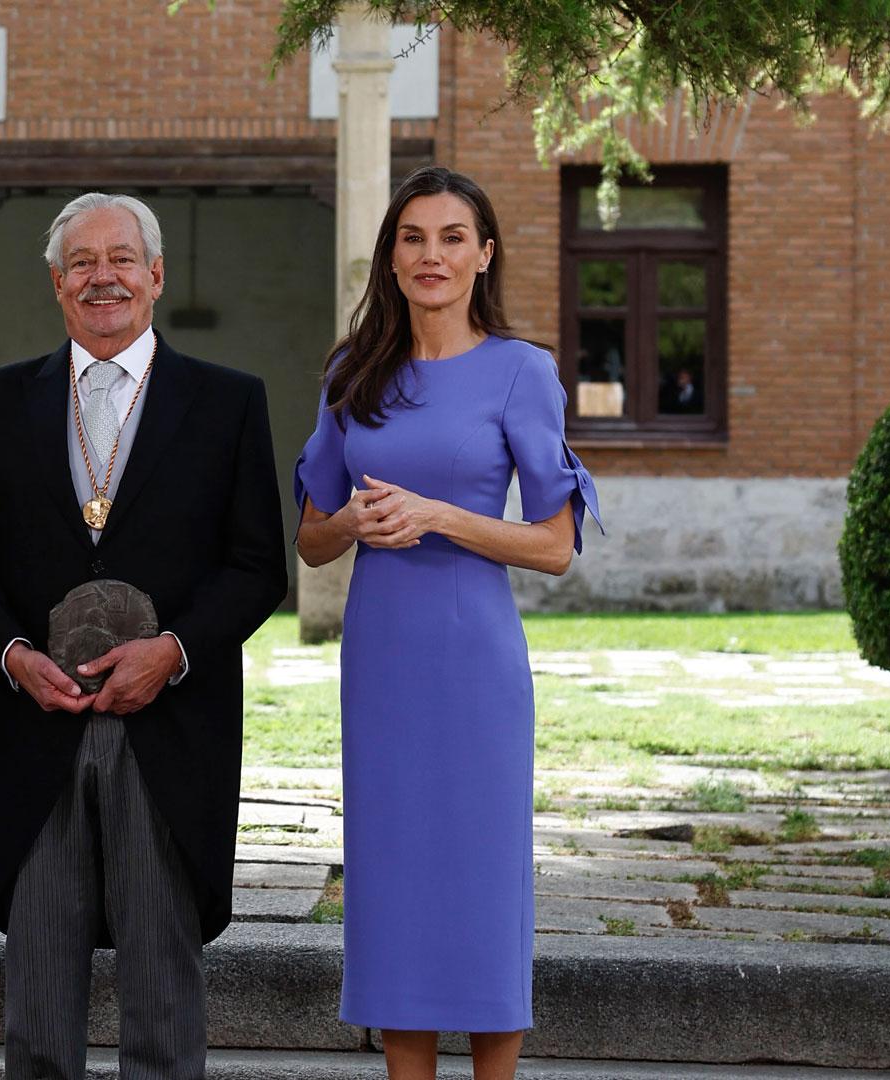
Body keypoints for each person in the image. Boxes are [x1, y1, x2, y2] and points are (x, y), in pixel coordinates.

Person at [0, 192, 287, 1080]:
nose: (104, 277)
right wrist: (11, 658)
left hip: (171, 727)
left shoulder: (228, 402)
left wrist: (172, 652)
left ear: (156, 276)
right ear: (57, 284)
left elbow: (257, 568)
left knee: (163, 996)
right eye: (82, 263)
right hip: (38, 725)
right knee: (39, 997)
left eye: (122, 258)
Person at [292, 166, 602, 1080]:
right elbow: (311, 539)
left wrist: (441, 516)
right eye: (414, 237)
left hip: (475, 663)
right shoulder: (352, 373)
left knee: (480, 879)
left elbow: (554, 546)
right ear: (391, 258)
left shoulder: (521, 371)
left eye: (453, 237)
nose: (433, 255)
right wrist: (354, 522)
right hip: (382, 660)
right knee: (393, 878)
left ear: (484, 255)